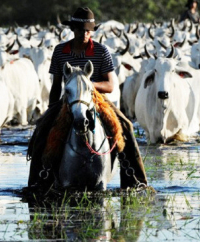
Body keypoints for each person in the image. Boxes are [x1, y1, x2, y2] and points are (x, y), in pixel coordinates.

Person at [27, 7, 148, 191]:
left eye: (88, 30)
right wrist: (52, 110)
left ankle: (136, 180)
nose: (84, 33)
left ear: (92, 31)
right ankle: (37, 181)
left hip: (97, 100)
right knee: (41, 130)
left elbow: (110, 85)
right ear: (73, 29)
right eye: (80, 29)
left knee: (126, 127)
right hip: (68, 100)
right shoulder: (60, 51)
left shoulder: (101, 51)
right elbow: (56, 84)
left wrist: (89, 85)